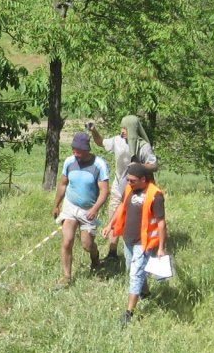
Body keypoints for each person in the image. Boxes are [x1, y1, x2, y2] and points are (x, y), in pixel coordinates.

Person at [89, 115, 158, 261]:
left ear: (132, 129)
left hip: (137, 190)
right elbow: (100, 142)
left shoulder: (143, 146)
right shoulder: (117, 141)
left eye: (125, 128)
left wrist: (139, 166)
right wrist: (94, 131)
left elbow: (154, 165)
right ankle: (112, 253)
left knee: (137, 221)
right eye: (121, 127)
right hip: (118, 187)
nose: (122, 131)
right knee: (114, 215)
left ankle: (143, 250)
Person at [108, 162, 166, 327]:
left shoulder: (156, 195)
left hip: (144, 242)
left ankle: (128, 313)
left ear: (143, 179)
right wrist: (110, 225)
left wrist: (161, 248)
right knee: (132, 269)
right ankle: (146, 293)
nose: (129, 183)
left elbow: (161, 223)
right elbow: (121, 207)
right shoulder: (129, 189)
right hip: (128, 239)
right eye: (128, 180)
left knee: (135, 275)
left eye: (132, 180)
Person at [52, 131, 109, 286]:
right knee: (67, 241)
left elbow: (104, 190)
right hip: (70, 206)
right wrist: (56, 205)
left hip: (88, 210)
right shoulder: (69, 162)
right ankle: (66, 277)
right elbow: (63, 185)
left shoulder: (99, 165)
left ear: (87, 150)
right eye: (73, 150)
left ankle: (95, 259)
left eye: (78, 151)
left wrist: (95, 208)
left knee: (87, 244)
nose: (75, 154)